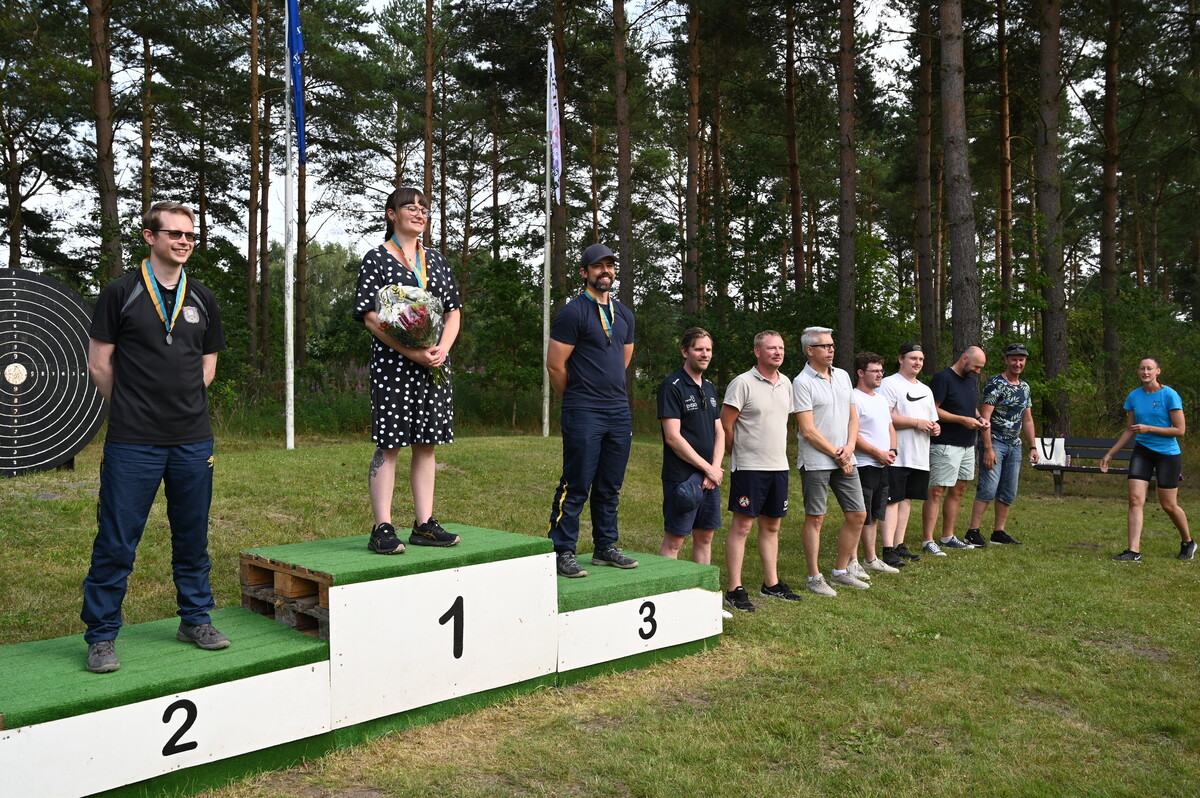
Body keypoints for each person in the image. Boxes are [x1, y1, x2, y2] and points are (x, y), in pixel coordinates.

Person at [82, 201, 228, 674]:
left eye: (190, 235)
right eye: (174, 233)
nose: (184, 241)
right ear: (150, 237)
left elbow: (208, 364)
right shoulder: (120, 292)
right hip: (133, 441)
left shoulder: (202, 297)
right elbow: (99, 364)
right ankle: (101, 635)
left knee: (192, 535)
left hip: (193, 440)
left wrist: (180, 403)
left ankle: (196, 619)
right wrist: (131, 407)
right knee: (117, 540)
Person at [354, 187, 462, 555]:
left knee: (426, 444)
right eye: (410, 207)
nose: (418, 213)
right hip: (394, 365)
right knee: (390, 444)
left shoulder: (437, 260)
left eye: (423, 208)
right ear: (391, 214)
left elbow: (453, 311)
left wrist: (441, 349)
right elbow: (371, 317)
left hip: (433, 365)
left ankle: (424, 524)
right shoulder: (376, 259)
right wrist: (412, 352)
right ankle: (382, 528)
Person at [547, 243, 638, 577]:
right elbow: (555, 365)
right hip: (583, 410)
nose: (606, 271)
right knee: (576, 483)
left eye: (610, 265)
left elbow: (623, 360)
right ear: (585, 272)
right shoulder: (573, 312)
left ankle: (605, 546)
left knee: (609, 486)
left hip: (618, 411)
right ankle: (562, 550)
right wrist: (574, 398)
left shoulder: (624, 314)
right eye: (598, 266)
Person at [720, 331, 800, 611]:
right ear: (757, 351)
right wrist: (735, 451)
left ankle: (771, 584)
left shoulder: (786, 383)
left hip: (778, 466)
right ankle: (734, 589)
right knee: (743, 526)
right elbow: (726, 423)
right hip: (749, 467)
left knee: (772, 525)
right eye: (771, 348)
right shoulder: (742, 383)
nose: (778, 353)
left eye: (781, 348)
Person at [793, 327, 869, 596]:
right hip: (817, 460)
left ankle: (840, 571)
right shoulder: (802, 382)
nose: (831, 350)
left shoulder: (843, 376)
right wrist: (839, 454)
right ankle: (814, 577)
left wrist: (850, 448)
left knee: (858, 514)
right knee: (816, 518)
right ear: (810, 350)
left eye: (832, 345)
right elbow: (808, 430)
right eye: (825, 346)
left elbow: (853, 417)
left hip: (846, 456)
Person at [1102, 357, 1194, 562]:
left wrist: (1149, 428)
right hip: (1142, 452)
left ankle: (1188, 541)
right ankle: (1133, 551)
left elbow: (1180, 430)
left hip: (1167, 454)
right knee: (1135, 499)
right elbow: (1129, 430)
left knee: (1168, 505)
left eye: (1149, 368)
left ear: (1157, 371)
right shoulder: (1134, 396)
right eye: (1142, 368)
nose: (1145, 372)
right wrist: (1110, 454)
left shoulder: (1169, 395)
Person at [658, 328, 724, 565]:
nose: (705, 354)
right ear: (685, 351)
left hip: (710, 478)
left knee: (705, 538)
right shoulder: (672, 386)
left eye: (708, 349)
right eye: (699, 349)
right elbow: (672, 438)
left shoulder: (709, 387)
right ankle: (668, 587)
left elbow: (720, 432)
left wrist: (715, 468)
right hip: (682, 478)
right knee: (675, 541)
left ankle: (700, 587)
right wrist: (708, 469)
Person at [964, 343, 1039, 546]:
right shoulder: (995, 384)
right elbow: (985, 419)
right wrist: (988, 448)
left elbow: (1027, 419)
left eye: (1021, 359)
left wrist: (1032, 446)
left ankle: (999, 532)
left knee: (1008, 490)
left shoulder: (1025, 387)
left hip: (1015, 445)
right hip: (995, 441)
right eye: (1014, 359)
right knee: (988, 488)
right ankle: (973, 531)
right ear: (1006, 360)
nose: (1017, 363)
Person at [878, 343, 940, 569]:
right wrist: (916, 423)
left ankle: (899, 544)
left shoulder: (926, 389)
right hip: (896, 454)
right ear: (901, 359)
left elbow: (931, 419)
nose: (918, 363)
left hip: (919, 455)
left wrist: (935, 428)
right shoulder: (889, 383)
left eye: (921, 359)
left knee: (907, 500)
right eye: (913, 358)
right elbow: (883, 416)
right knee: (892, 500)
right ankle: (888, 549)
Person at [921, 346, 988, 555]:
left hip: (967, 444)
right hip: (945, 444)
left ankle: (948, 537)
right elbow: (933, 409)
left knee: (958, 490)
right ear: (965, 358)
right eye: (976, 366)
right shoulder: (943, 378)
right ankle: (928, 540)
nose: (978, 371)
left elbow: (969, 406)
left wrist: (979, 418)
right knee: (937, 491)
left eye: (980, 368)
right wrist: (962, 420)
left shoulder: (971, 379)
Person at [852, 352, 900, 575]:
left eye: (882, 370)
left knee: (873, 514)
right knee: (858, 514)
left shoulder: (881, 399)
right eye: (875, 371)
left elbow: (890, 427)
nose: (880, 375)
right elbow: (852, 435)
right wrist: (876, 453)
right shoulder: (853, 399)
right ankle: (851, 561)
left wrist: (892, 451)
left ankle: (870, 559)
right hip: (863, 464)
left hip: (883, 465)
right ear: (861, 373)